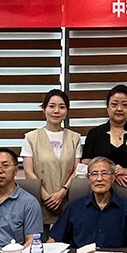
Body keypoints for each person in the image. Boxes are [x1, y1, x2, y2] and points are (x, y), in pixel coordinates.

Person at [82, 85, 127, 225]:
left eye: (124, 105)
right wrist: (111, 173)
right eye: (114, 104)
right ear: (107, 107)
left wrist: (126, 171)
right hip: (99, 193)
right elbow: (85, 164)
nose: (119, 109)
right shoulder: (94, 134)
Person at [21, 89, 82, 235]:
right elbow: (28, 171)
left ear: (67, 111)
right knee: (40, 243)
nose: (56, 111)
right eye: (51, 106)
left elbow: (77, 170)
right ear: (44, 109)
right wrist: (46, 197)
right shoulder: (31, 138)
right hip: (40, 201)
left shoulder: (75, 138)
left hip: (67, 199)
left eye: (62, 107)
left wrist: (62, 193)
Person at [49, 157, 127, 248]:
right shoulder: (74, 207)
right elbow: (54, 238)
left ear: (113, 178)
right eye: (94, 174)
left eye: (104, 173)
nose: (99, 179)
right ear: (88, 179)